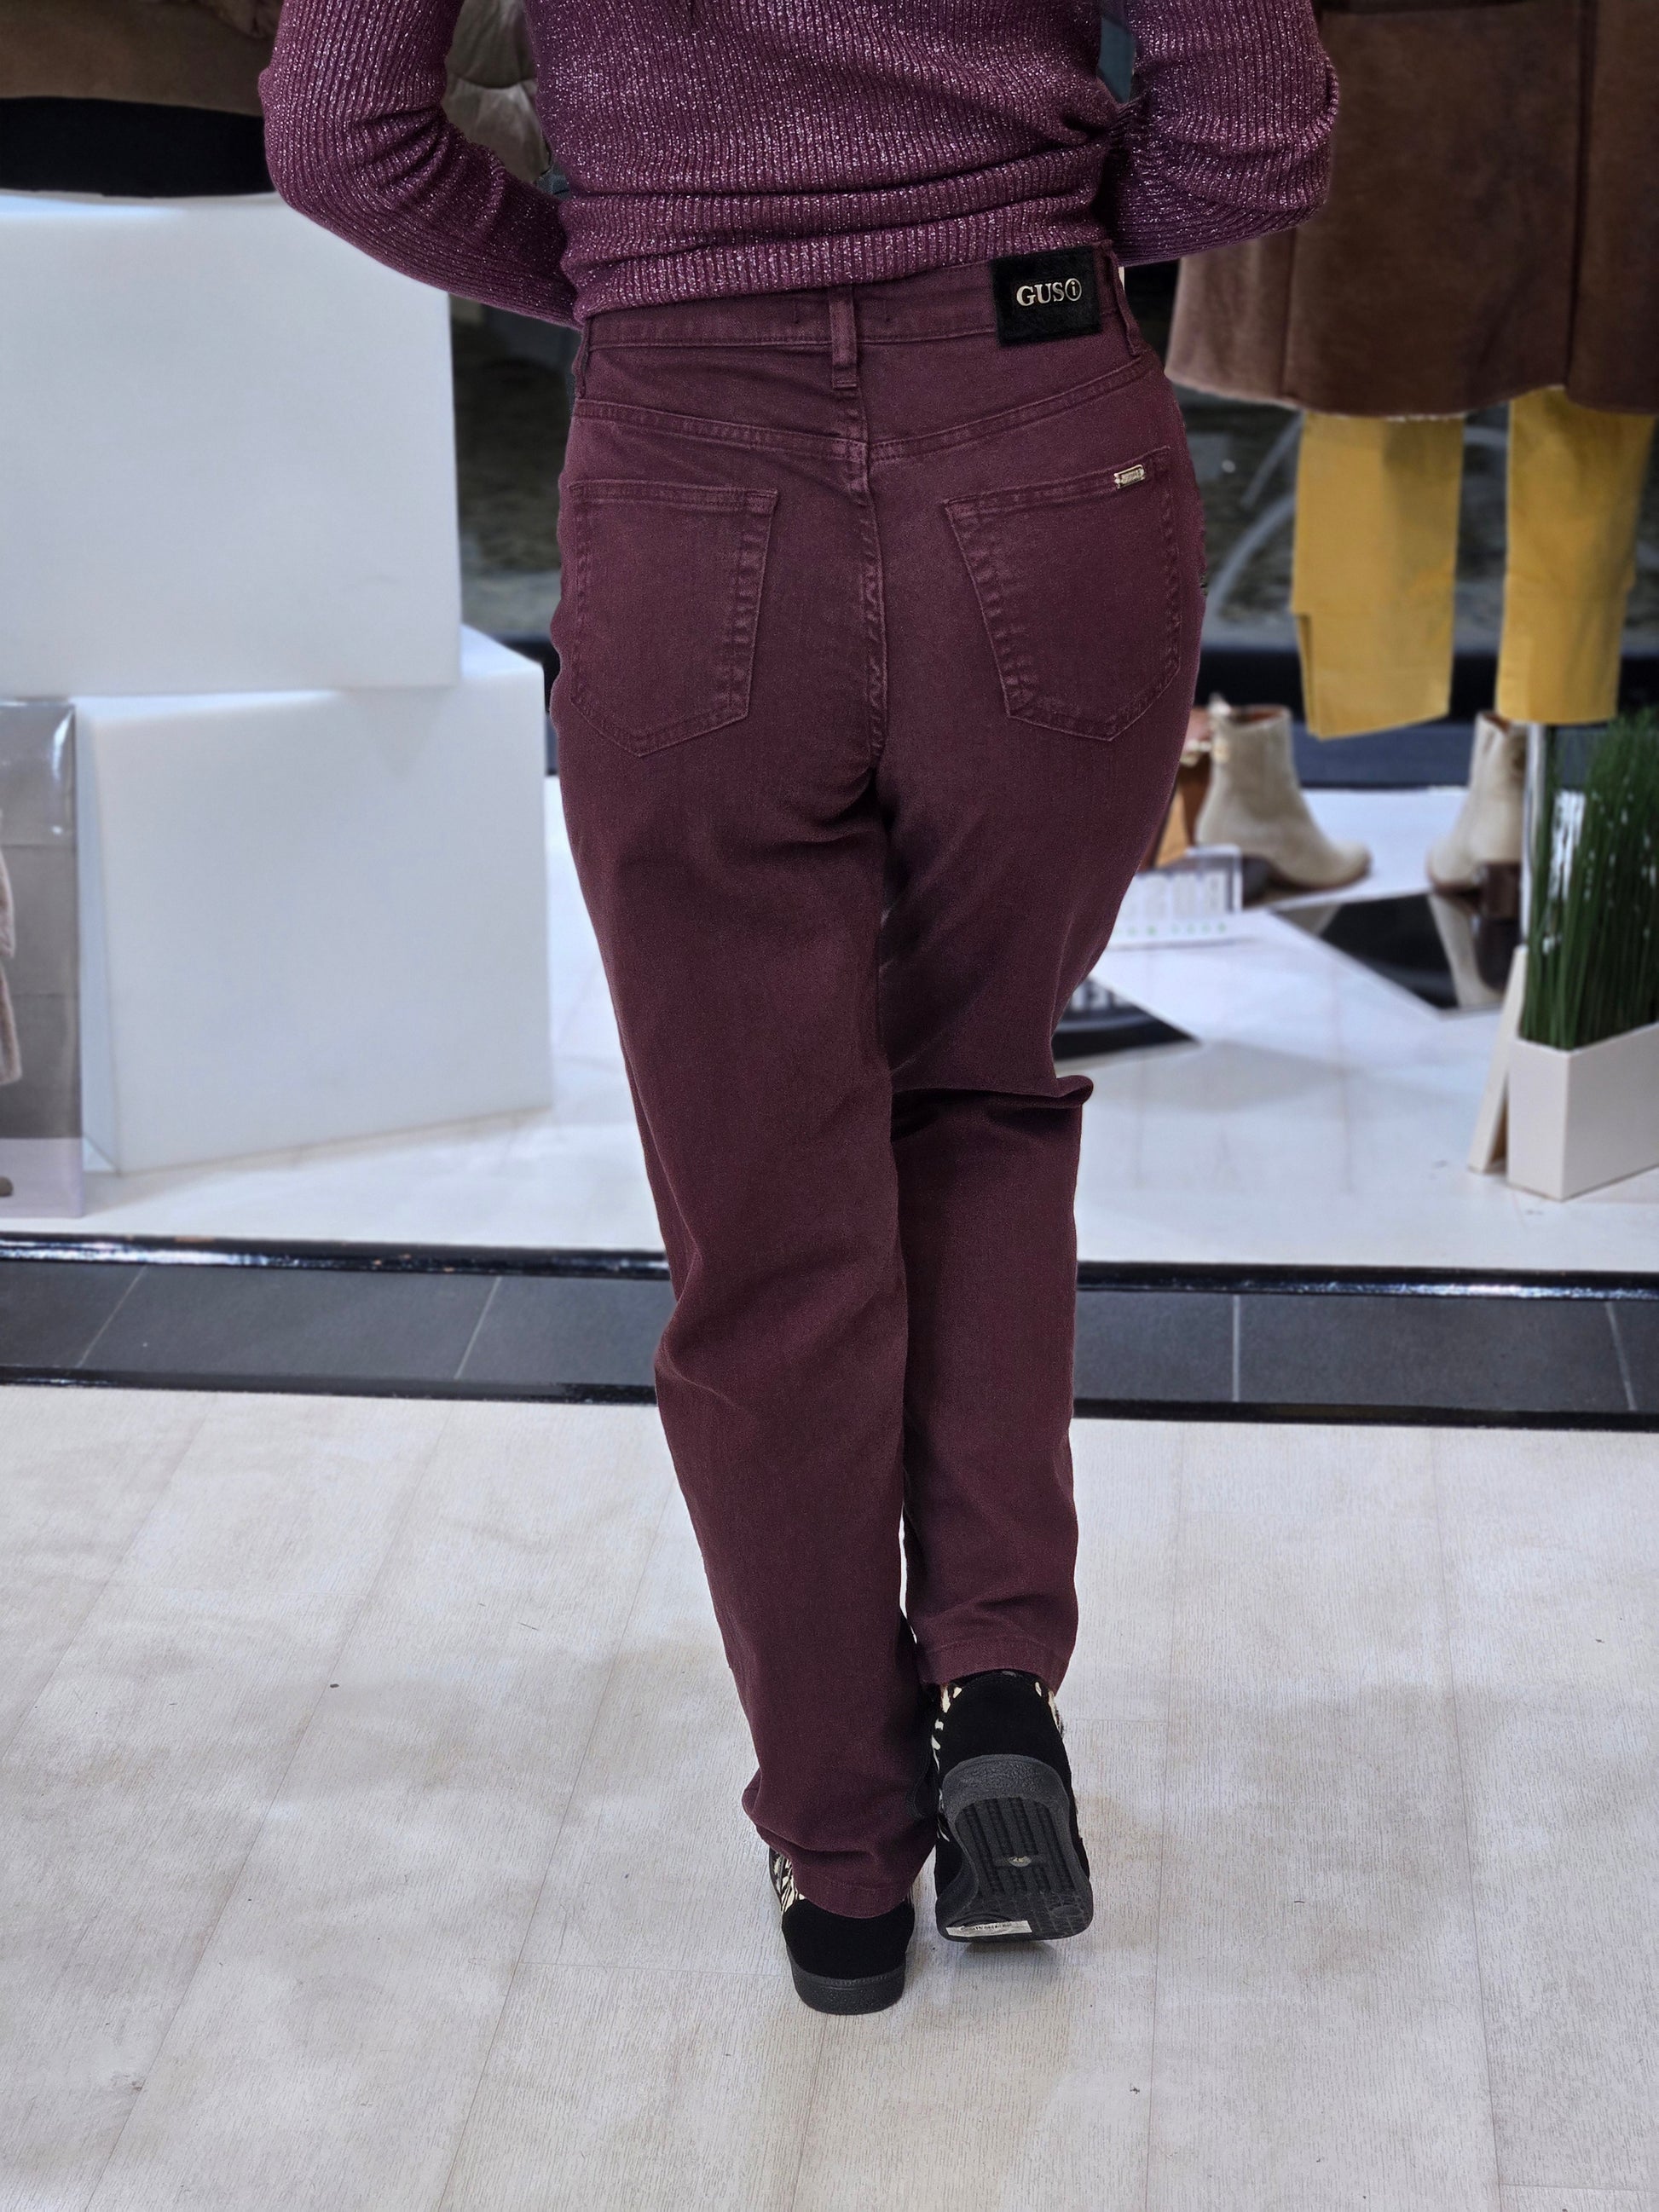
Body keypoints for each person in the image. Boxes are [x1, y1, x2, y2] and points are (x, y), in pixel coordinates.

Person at [260, 0, 1336, 2017]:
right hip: (1038, 422)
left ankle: (842, 1862)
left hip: (690, 452)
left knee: (764, 1211)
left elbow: (338, 131)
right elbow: (1261, 127)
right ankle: (991, 1674)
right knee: (979, 1087)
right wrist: (1016, 242)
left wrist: (626, 265)